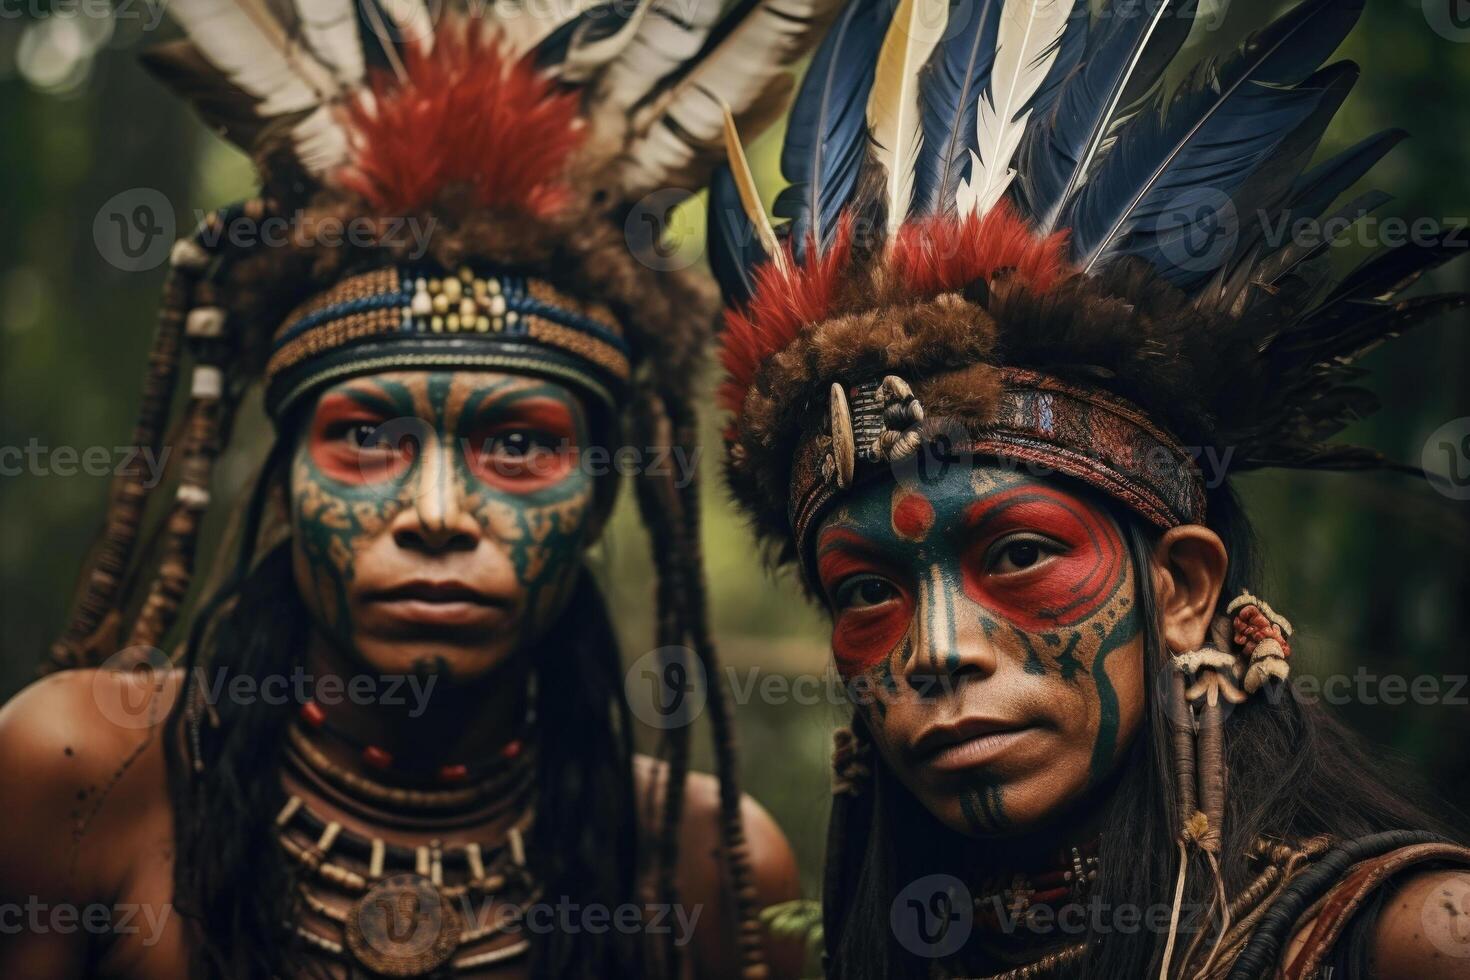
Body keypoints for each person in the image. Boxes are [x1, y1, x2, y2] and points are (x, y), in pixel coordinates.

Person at [0, 0, 838, 975]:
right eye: (365, 437)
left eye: (518, 443)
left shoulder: (700, 865)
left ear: (601, 499)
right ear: (289, 479)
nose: (436, 513)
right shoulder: (80, 776)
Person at [710, 0, 1470, 976]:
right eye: (867, 591)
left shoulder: (1414, 939)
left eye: (1019, 553)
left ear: (1184, 588)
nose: (938, 650)